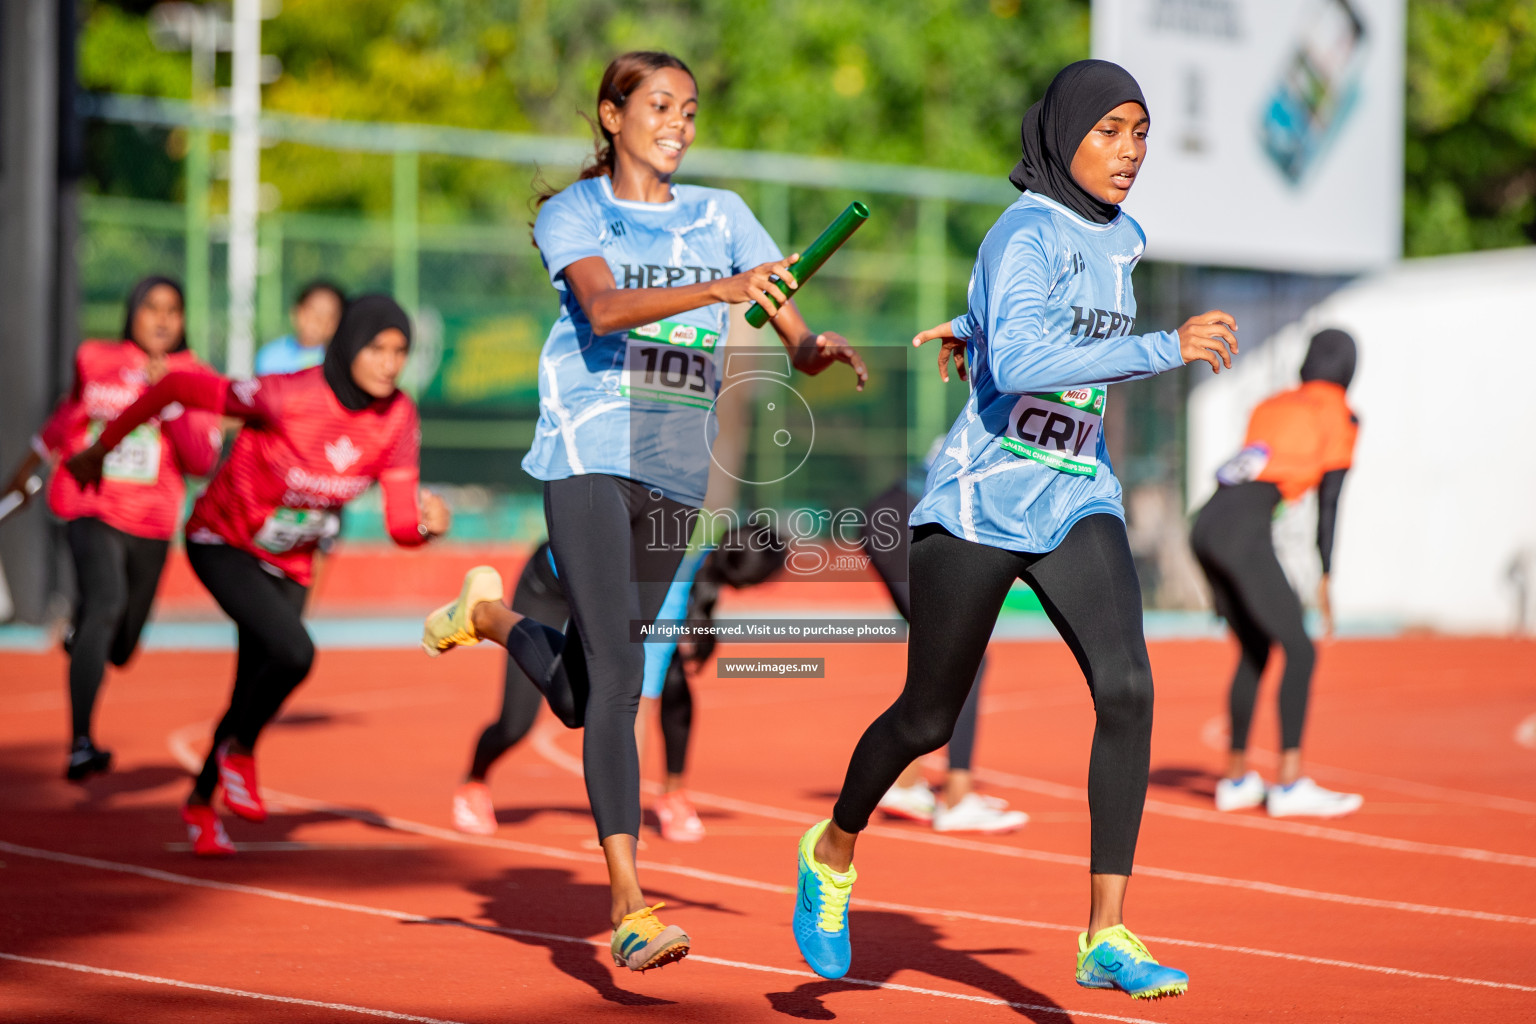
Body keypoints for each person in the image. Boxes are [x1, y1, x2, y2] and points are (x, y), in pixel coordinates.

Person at [790, 60, 1239, 1000]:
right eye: (1110, 130)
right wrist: (1160, 346)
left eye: (1141, 132)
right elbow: (1034, 353)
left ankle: (1105, 934)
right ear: (1064, 131)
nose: (1129, 152)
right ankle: (832, 851)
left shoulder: (1124, 236)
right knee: (927, 718)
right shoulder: (1023, 226)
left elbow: (1037, 321)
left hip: (1079, 493)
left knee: (1127, 687)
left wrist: (975, 324)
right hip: (983, 499)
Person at [419, 50, 866, 973]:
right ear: (613, 114)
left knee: (585, 697)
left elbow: (785, 324)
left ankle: (489, 616)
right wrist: (720, 289)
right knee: (622, 680)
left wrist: (813, 346)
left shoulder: (726, 213)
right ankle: (628, 905)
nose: (678, 123)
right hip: (588, 451)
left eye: (691, 110)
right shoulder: (571, 213)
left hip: (674, 470)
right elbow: (605, 307)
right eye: (660, 105)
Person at [67, 295, 450, 856]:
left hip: (292, 562)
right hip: (223, 543)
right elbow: (174, 390)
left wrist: (426, 528)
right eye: (377, 349)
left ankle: (201, 804)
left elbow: (398, 524)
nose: (390, 364)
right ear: (348, 347)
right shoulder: (286, 393)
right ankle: (242, 751)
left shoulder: (398, 417)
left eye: (400, 352)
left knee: (252, 685)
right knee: (294, 653)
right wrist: (102, 447)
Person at [2, 276, 222, 781]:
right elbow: (70, 415)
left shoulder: (196, 378)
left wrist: (168, 398)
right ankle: (81, 743)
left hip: (151, 523)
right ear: (133, 312)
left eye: (174, 310)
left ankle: (82, 636)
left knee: (119, 646)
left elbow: (200, 460)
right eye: (152, 308)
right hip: (90, 506)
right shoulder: (96, 359)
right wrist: (30, 460)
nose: (163, 319)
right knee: (104, 602)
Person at [451, 525, 785, 843]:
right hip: (552, 583)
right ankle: (473, 783)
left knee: (675, 682)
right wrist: (624, 810)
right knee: (517, 723)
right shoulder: (670, 597)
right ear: (747, 583)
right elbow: (637, 707)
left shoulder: (708, 562)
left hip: (606, 590)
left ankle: (672, 795)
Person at [1190, 328, 1363, 818]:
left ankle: (1235, 779)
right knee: (1301, 651)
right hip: (1242, 529)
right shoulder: (1343, 416)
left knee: (1256, 648)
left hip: (1207, 523)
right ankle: (1288, 785)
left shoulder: (1273, 403)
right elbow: (1330, 501)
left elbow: (1247, 469)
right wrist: (1327, 573)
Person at [863, 467, 1027, 834]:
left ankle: (907, 784)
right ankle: (956, 798)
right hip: (906, 517)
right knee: (965, 657)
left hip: (898, 514)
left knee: (941, 654)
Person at [254, 280, 345, 375]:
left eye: (328, 314)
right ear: (296, 312)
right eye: (312, 310)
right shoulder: (269, 356)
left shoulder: (341, 361)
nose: (318, 320)